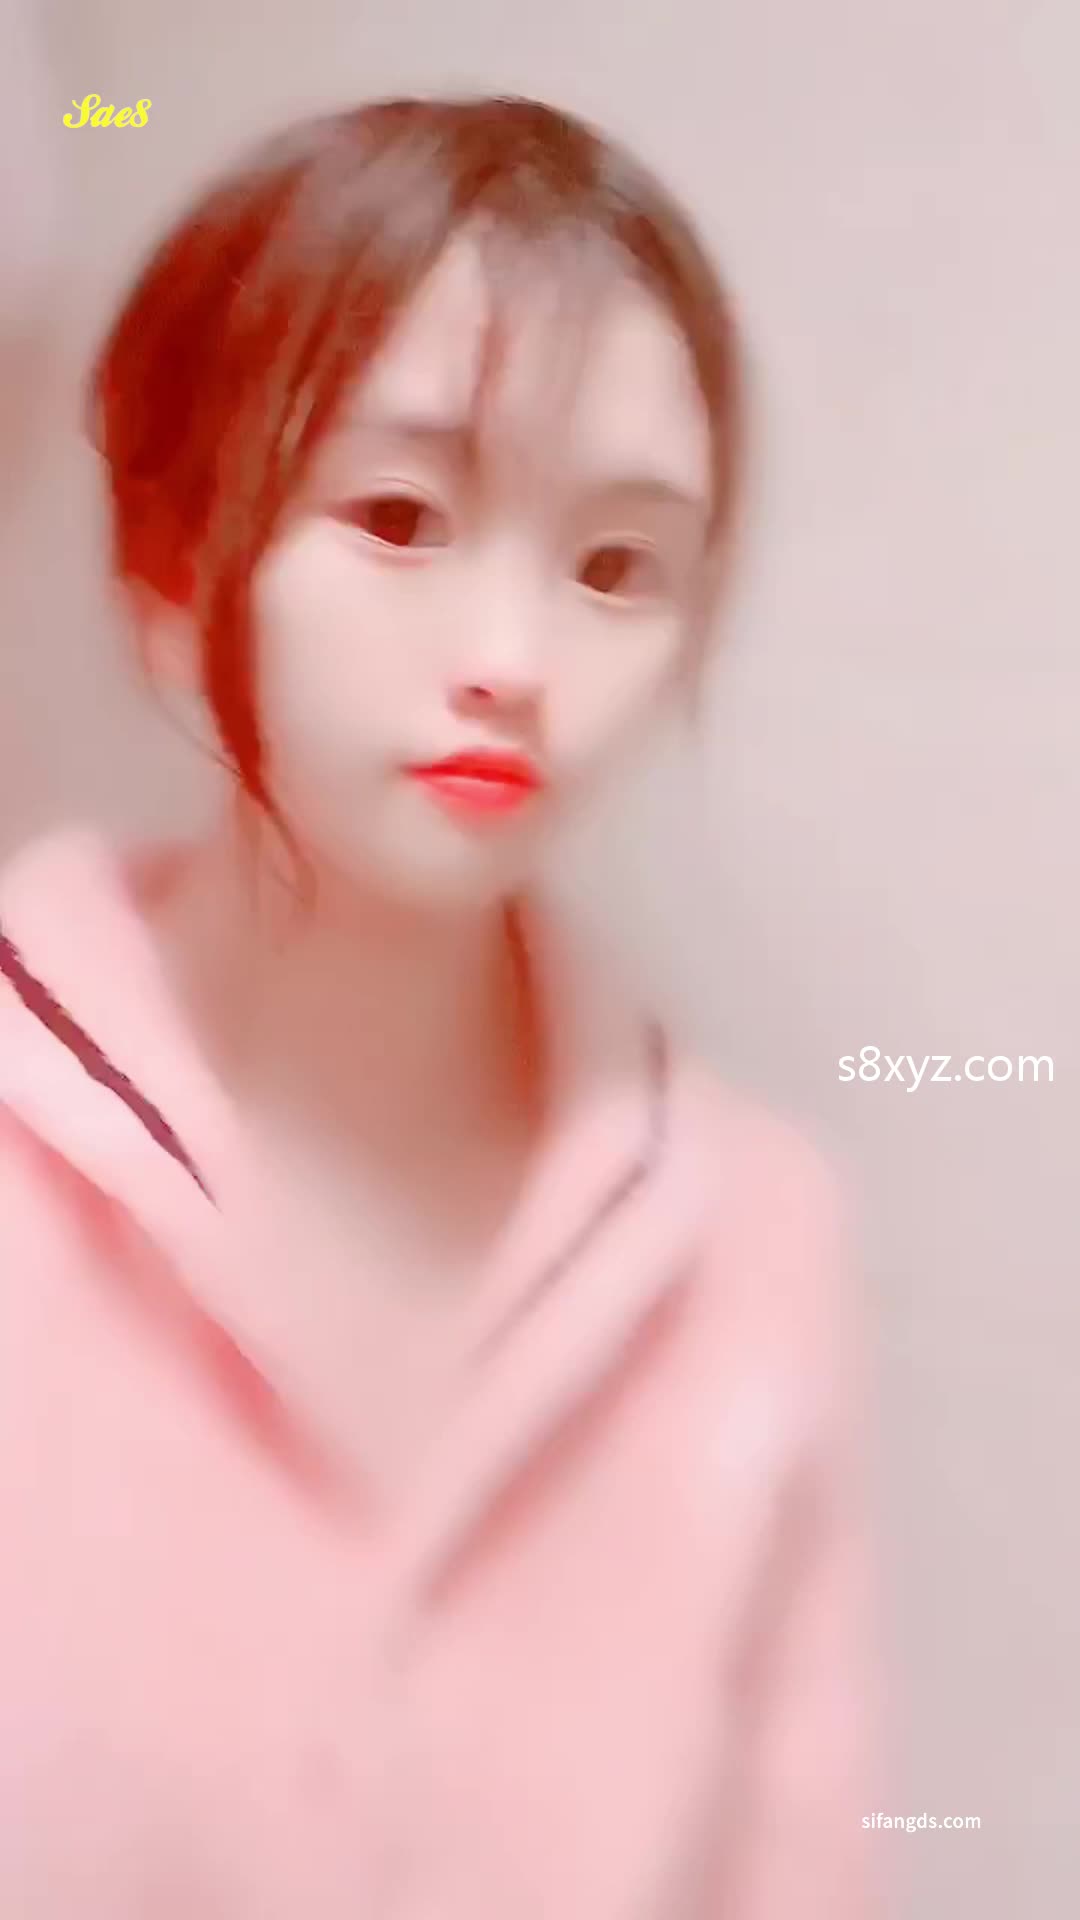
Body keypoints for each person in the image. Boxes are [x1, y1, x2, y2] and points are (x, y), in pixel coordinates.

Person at [0, 95, 884, 1916]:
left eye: (618, 564)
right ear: (170, 563)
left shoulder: (761, 1240)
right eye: (400, 515)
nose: (514, 659)